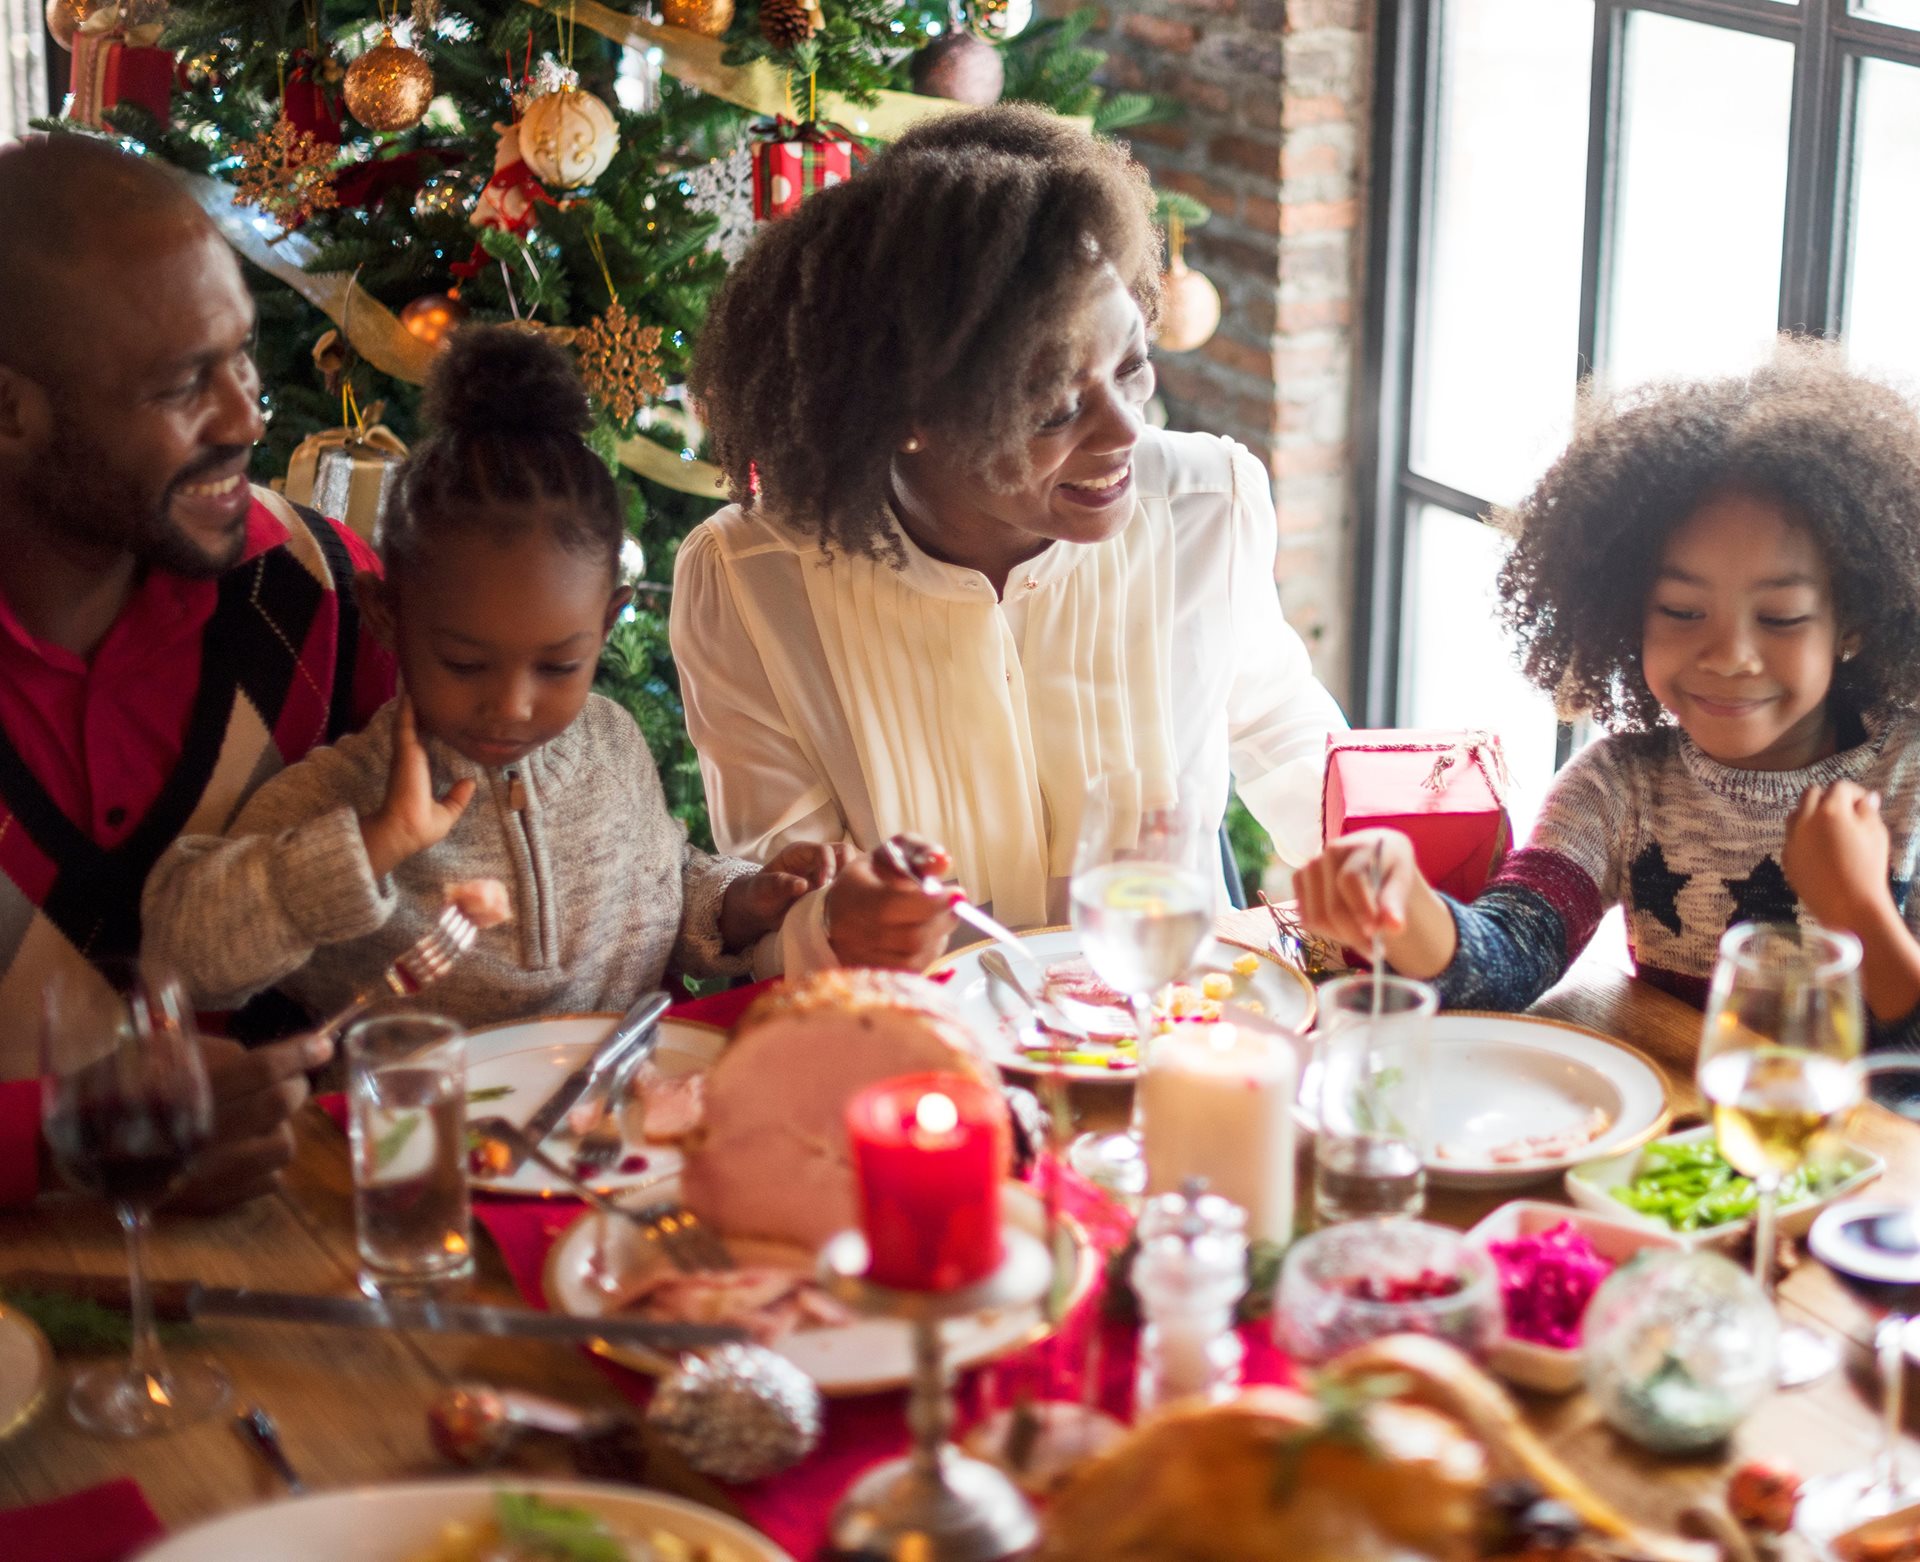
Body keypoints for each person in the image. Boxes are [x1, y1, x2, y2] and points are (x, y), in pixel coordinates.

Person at [671, 105, 1347, 975]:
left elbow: (1283, 728)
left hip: (1171, 1036)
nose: (1124, 433)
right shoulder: (750, 582)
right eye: (1057, 408)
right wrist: (833, 924)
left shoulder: (1206, 503)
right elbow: (776, 916)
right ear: (908, 416)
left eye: (1132, 367)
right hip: (921, 1066)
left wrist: (1373, 851)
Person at [143, 327, 952, 1023]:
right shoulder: (339, 798)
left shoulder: (612, 746)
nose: (511, 705)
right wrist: (370, 846)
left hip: (625, 1138)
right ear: (388, 618)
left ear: (606, 624)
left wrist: (745, 901)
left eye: (559, 665)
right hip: (432, 1158)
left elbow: (666, 881)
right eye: (464, 662)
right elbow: (182, 954)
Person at [1294, 340, 1920, 1049]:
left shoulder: (1909, 784)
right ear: (1627, 608)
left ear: (1856, 623)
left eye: (1779, 618)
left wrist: (1857, 907)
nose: (1729, 656)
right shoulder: (1620, 788)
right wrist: (1405, 907)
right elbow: (1507, 958)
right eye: (1682, 612)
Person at [0, 136, 395, 1208]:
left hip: (317, 1275)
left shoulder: (321, 593)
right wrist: (65, 1137)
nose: (247, 419)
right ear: (11, 413)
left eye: (243, 361)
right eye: (182, 386)